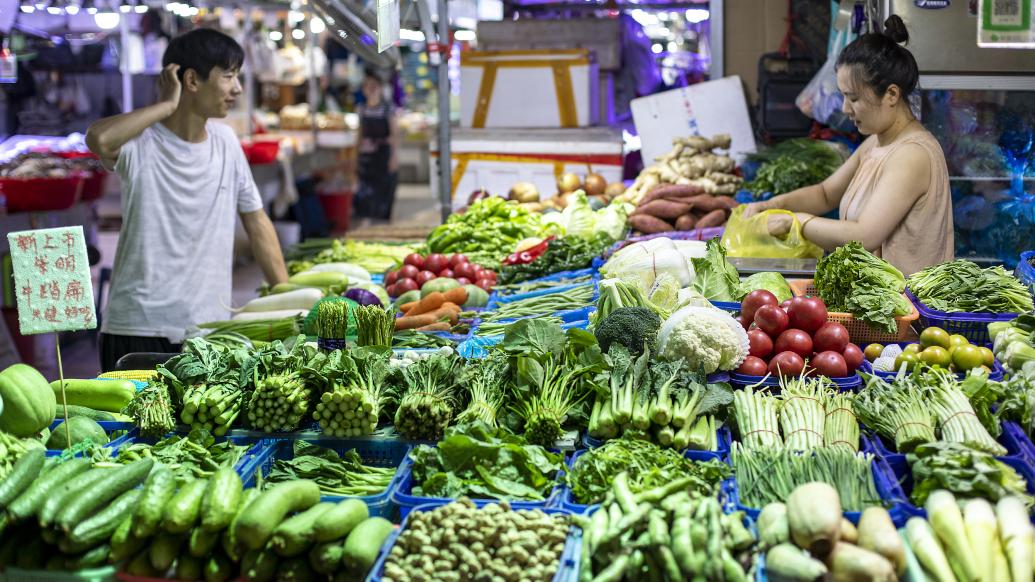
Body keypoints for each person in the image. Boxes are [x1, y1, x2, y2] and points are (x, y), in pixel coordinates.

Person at [86, 29, 288, 372]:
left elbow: (257, 223)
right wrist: (166, 105)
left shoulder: (226, 142)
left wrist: (287, 299)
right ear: (191, 80)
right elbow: (99, 139)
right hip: (137, 326)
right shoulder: (140, 143)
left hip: (207, 329)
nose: (237, 89)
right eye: (228, 77)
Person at [744, 16, 953, 276]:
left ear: (891, 94)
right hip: (877, 301)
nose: (845, 109)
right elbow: (824, 194)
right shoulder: (875, 143)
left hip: (907, 308)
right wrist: (770, 206)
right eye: (843, 97)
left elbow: (866, 236)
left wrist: (797, 221)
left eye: (853, 98)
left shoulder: (912, 155)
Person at [355, 68, 400, 222]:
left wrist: (394, 157)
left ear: (380, 88)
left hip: (383, 156)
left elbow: (394, 134)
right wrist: (356, 156)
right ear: (364, 89)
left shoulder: (388, 108)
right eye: (368, 86)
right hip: (366, 159)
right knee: (366, 197)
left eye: (375, 86)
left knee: (384, 195)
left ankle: (383, 226)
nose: (372, 89)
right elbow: (359, 134)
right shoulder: (361, 109)